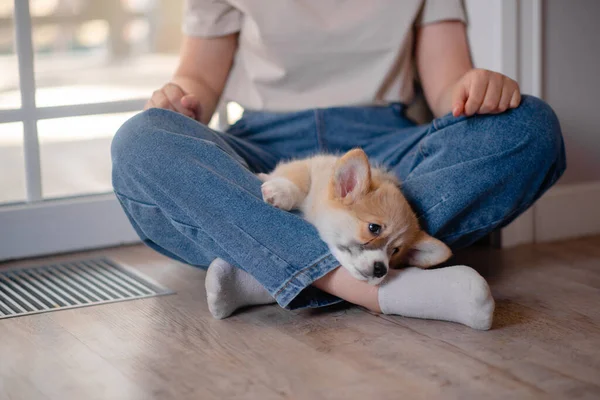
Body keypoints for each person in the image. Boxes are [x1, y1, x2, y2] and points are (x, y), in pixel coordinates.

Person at [111, 0, 566, 330]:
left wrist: (476, 87)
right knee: (142, 139)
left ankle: (265, 269)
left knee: (530, 125)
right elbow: (200, 80)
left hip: (384, 157)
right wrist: (179, 101)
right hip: (266, 152)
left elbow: (449, 89)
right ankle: (378, 289)